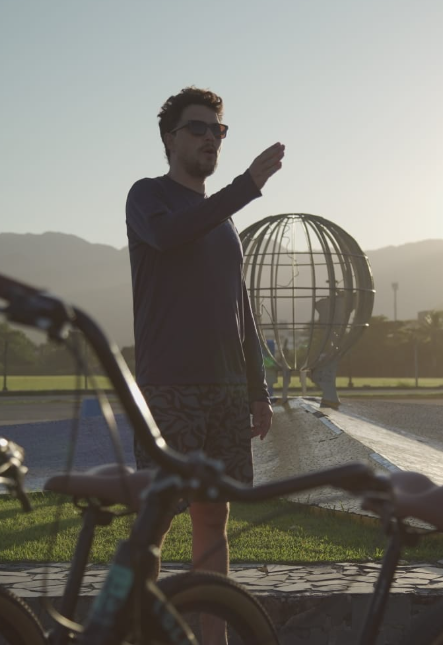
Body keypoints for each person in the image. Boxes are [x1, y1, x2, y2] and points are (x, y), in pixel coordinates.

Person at [125, 86, 284, 641]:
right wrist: (246, 187)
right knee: (155, 521)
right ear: (171, 139)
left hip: (225, 392)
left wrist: (257, 391)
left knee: (213, 522)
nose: (211, 138)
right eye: (198, 129)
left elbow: (238, 306)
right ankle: (142, 632)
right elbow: (170, 236)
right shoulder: (149, 197)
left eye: (218, 130)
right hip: (169, 387)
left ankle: (210, 638)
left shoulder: (224, 219)